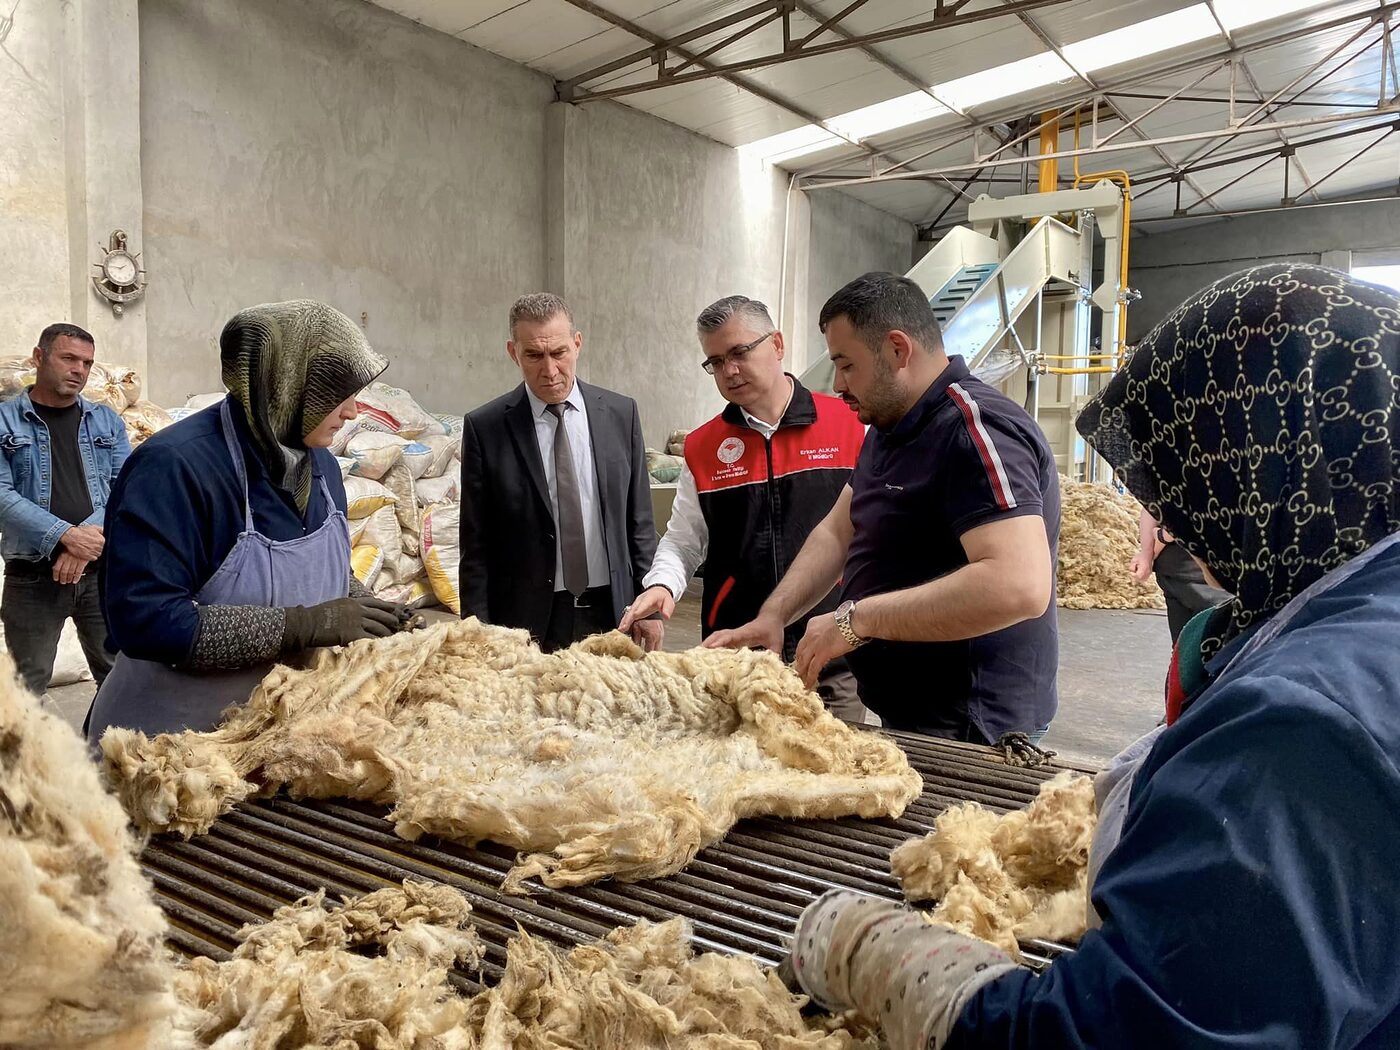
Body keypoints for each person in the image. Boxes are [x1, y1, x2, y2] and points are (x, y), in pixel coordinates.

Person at [781, 263, 1400, 1050]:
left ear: (1263, 464)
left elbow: (1116, 1035)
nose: (1165, 516)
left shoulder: (1308, 725)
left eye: (1180, 477)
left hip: (968, 713)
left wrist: (880, 959)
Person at [707, 272, 1059, 744]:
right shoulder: (889, 428)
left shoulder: (973, 431)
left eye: (846, 365)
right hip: (913, 712)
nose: (837, 384)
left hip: (974, 724)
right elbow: (838, 530)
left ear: (897, 350)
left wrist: (856, 621)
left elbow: (1018, 585)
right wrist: (775, 615)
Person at [85, 300, 404, 744]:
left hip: (269, 741)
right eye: (337, 395)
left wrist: (369, 611)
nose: (352, 412)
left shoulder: (321, 467)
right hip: (170, 750)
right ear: (285, 385)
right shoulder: (175, 468)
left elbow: (320, 571)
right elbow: (147, 622)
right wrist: (299, 627)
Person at [619, 295, 869, 720]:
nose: (729, 371)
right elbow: (683, 541)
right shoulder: (704, 447)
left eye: (739, 352)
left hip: (830, 652)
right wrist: (660, 586)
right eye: (715, 362)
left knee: (833, 771)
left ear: (777, 345)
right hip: (736, 652)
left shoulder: (851, 425)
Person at [459, 293, 657, 652]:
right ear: (513, 352)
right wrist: (477, 635)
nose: (549, 370)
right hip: (527, 623)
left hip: (614, 613)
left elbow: (639, 522)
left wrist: (651, 605)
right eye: (533, 355)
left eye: (559, 353)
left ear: (577, 344)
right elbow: (476, 547)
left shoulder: (620, 414)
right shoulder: (485, 429)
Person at [0, 323, 129, 696]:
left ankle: (112, 754)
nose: (79, 370)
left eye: (87, 363)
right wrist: (66, 536)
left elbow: (127, 489)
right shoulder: (5, 421)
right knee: (25, 693)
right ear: (39, 357)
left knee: (119, 682)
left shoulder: (106, 421)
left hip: (101, 575)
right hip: (32, 578)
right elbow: (3, 495)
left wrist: (84, 543)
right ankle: (33, 758)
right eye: (68, 358)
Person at [1132, 507, 1229, 642]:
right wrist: (1158, 542)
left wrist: (1150, 550)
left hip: (1175, 570)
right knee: (1216, 651)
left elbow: (1150, 505)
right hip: (1205, 574)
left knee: (1182, 650)